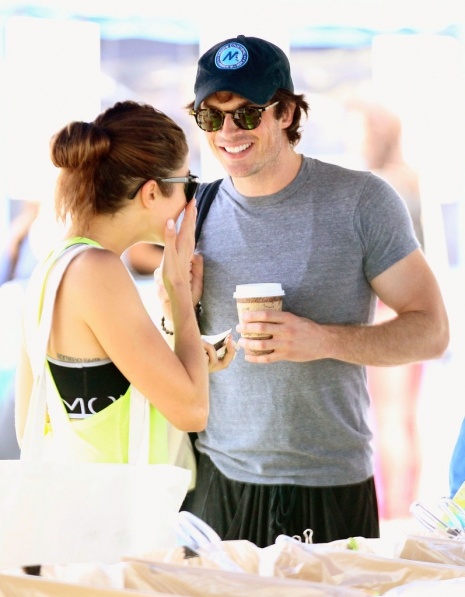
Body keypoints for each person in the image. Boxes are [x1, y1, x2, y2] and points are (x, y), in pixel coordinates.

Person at [156, 35, 449, 546]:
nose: (228, 132)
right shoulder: (191, 212)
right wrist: (174, 307)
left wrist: (323, 340)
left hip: (328, 485)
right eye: (211, 116)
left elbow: (432, 332)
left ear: (287, 112)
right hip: (215, 482)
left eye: (247, 114)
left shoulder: (361, 202)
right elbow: (175, 353)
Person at [15, 100, 235, 465]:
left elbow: (30, 429)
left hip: (76, 495)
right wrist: (179, 290)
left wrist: (181, 358)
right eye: (187, 184)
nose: (190, 200)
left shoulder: (51, 266)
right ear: (151, 193)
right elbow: (193, 411)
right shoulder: (98, 271)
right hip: (118, 501)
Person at [345, 98, 425, 520]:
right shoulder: (410, 180)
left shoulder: (378, 186)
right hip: (411, 310)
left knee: (388, 419)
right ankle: (405, 505)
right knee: (403, 418)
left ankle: (393, 510)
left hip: (385, 310)